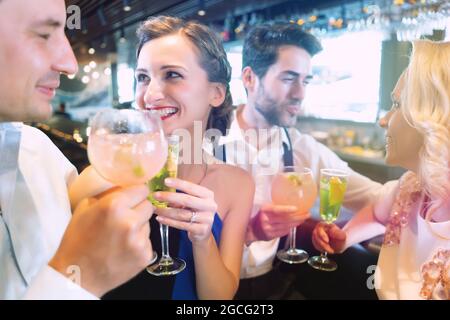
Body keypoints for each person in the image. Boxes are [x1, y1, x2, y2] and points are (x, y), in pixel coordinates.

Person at [70, 16, 254, 300]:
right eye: (143, 78)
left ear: (216, 93)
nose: (150, 95)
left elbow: (220, 298)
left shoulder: (238, 184)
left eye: (172, 75)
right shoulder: (108, 175)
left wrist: (202, 240)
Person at [212, 22, 386, 299]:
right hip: (206, 290)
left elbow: (380, 200)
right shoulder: (206, 140)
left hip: (274, 284)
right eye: (288, 78)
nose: (300, 93)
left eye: (305, 80)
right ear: (249, 78)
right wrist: (249, 230)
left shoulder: (304, 148)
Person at [0, 0, 156, 299]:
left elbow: (82, 203)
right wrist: (77, 279)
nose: (70, 64)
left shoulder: (37, 149)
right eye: (44, 35)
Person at [312, 40, 450, 300]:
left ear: (434, 116)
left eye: (397, 105)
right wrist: (345, 237)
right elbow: (378, 215)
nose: (383, 120)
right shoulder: (410, 187)